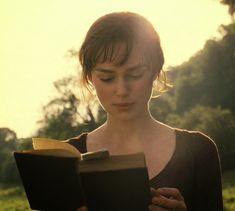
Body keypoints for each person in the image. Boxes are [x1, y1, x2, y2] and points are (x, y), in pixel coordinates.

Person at [67, 12, 223, 211]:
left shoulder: (199, 152)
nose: (122, 90)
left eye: (135, 74)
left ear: (156, 71)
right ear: (89, 77)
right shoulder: (66, 160)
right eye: (107, 78)